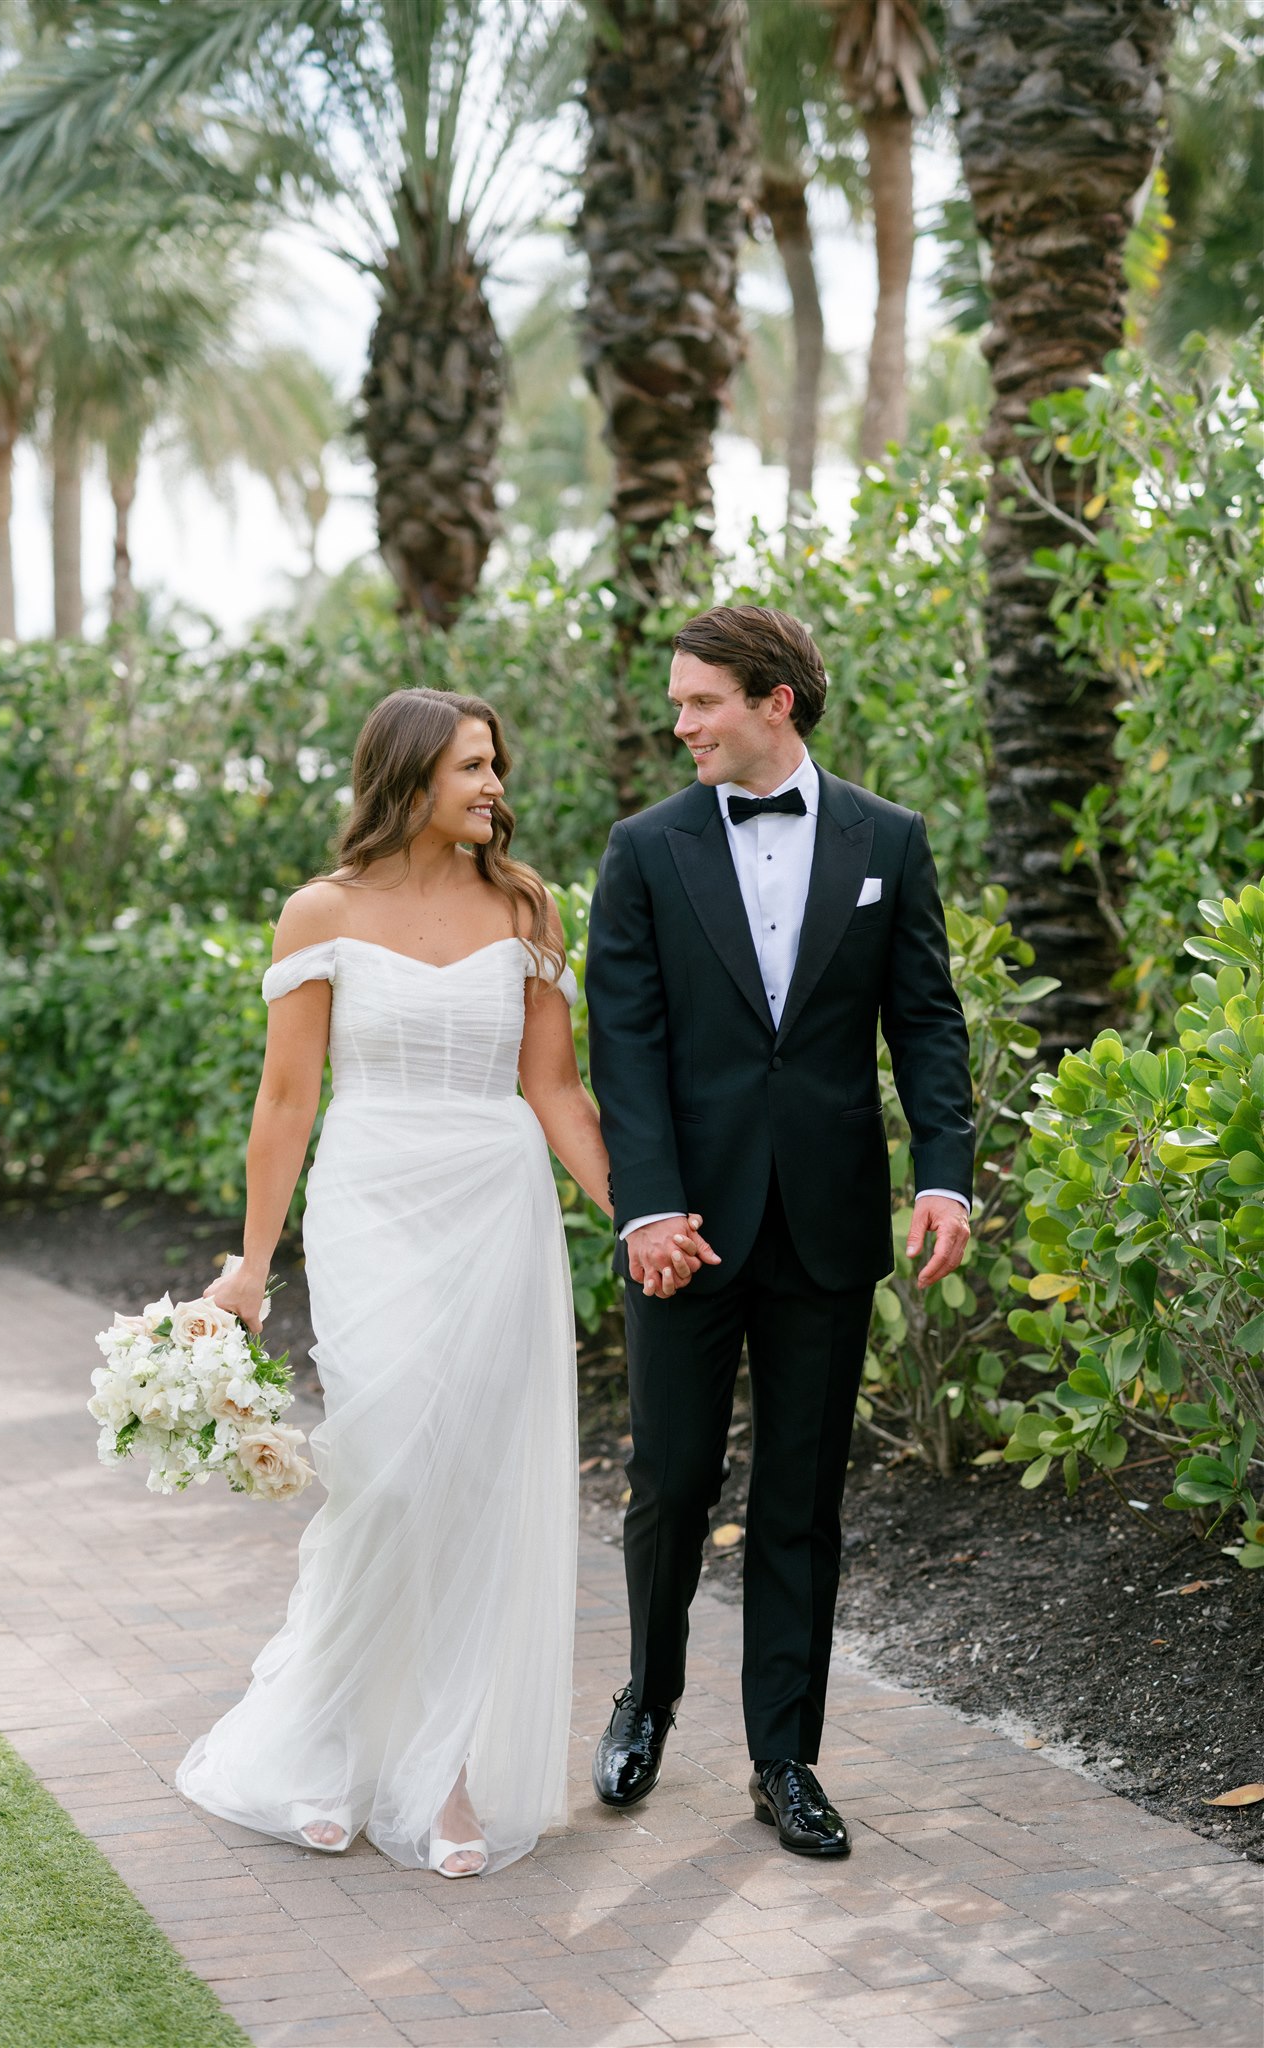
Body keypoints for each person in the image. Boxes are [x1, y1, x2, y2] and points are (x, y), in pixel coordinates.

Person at [177, 688, 621, 1879]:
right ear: (409, 773)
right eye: (471, 766)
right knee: (385, 1473)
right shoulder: (320, 912)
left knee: (471, 1483)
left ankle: (449, 1771)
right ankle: (319, 1744)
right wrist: (252, 1261)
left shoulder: (526, 907)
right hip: (372, 1201)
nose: (494, 786)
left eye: (496, 765)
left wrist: (636, 1213)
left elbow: (555, 1085)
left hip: (497, 1204)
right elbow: (287, 1099)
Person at [585, 604, 975, 1859]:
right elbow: (626, 1046)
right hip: (682, 1230)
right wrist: (644, 1204)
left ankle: (785, 1760)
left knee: (803, 1502)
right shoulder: (642, 850)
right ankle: (646, 1695)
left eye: (700, 699)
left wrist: (946, 1177)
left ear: (775, 702)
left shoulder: (889, 840)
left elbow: (926, 1019)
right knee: (673, 1483)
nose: (680, 720)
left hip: (826, 1222)